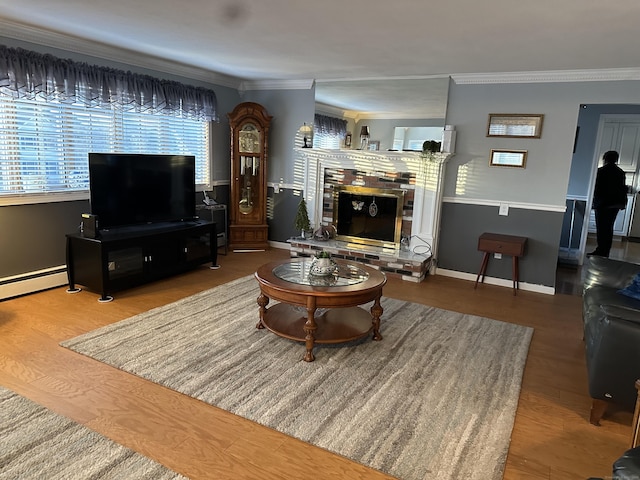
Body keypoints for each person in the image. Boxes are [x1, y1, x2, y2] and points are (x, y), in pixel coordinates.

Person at [588, 150, 628, 258]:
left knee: (601, 228)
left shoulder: (600, 171)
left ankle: (600, 250)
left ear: (605, 158)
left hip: (602, 204)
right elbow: (622, 189)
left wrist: (593, 201)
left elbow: (596, 188)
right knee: (609, 227)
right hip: (614, 205)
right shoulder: (620, 172)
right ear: (616, 159)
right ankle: (606, 251)